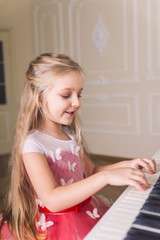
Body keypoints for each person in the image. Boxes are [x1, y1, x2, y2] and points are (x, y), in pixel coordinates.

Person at [0, 53, 156, 240]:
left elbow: (91, 171)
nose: (77, 102)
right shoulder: (32, 144)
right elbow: (53, 200)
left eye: (79, 94)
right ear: (39, 99)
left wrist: (127, 165)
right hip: (54, 224)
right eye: (66, 95)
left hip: (84, 211)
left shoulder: (70, 134)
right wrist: (107, 176)